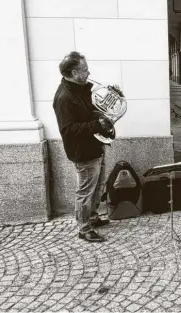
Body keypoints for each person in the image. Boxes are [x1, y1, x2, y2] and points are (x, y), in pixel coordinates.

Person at [53, 51, 113, 242]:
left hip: (95, 145)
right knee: (85, 191)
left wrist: (112, 94)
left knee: (97, 186)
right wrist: (98, 125)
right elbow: (68, 130)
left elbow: (92, 107)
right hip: (83, 151)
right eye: (85, 70)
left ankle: (93, 217)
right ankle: (84, 228)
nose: (88, 73)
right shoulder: (64, 97)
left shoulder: (80, 88)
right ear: (73, 72)